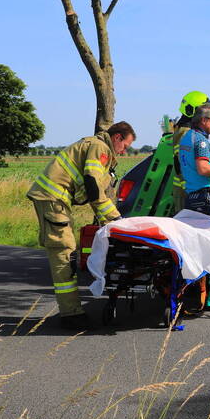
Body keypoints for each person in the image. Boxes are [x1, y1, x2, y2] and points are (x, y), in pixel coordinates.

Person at [26, 121, 135, 331]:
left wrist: (108, 220)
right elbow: (93, 186)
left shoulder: (96, 145)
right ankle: (71, 315)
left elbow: (93, 190)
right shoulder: (100, 147)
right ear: (117, 137)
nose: (124, 151)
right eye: (125, 146)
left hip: (55, 200)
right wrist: (116, 219)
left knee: (66, 254)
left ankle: (71, 311)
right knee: (64, 253)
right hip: (53, 199)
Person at [178, 102, 210, 219]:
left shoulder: (187, 137)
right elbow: (203, 169)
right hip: (205, 197)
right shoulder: (201, 141)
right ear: (204, 120)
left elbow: (191, 162)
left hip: (191, 196)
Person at [172, 91, 210, 212]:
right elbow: (182, 162)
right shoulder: (186, 133)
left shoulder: (183, 130)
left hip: (186, 187)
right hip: (187, 189)